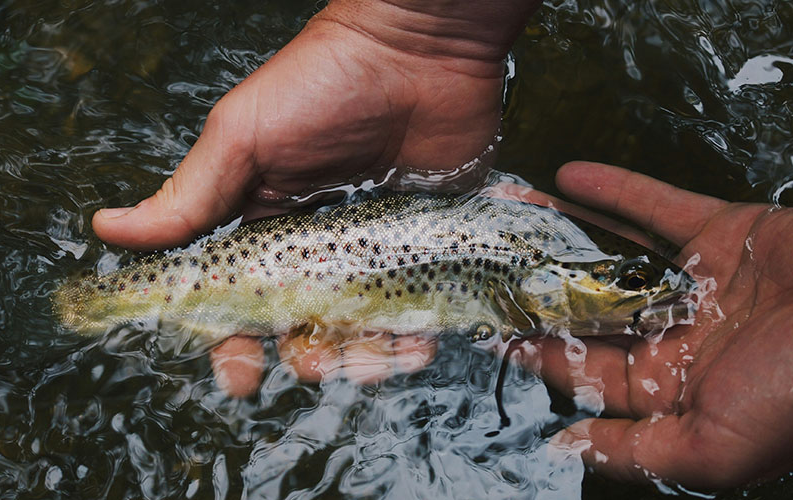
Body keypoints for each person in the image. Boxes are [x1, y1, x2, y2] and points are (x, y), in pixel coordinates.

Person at [89, 0, 793, 491]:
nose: (658, 297)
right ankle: (97, 309)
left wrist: (412, 28)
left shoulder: (530, 272)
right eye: (632, 286)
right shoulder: (528, 269)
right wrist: (405, 33)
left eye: (635, 289)